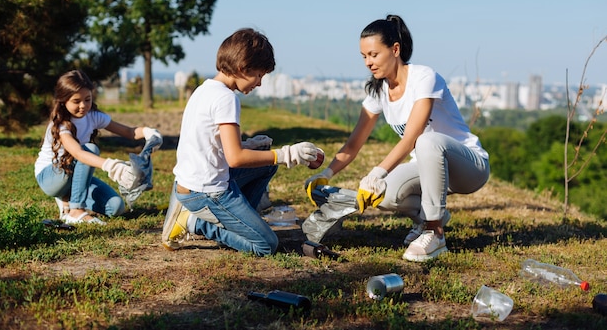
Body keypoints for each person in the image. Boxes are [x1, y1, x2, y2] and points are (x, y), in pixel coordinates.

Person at [304, 15, 490, 262]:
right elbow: (353, 143)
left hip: (468, 168)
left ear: (395, 49)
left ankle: (435, 233)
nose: (368, 62)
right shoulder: (379, 90)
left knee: (426, 141)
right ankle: (430, 216)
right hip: (429, 170)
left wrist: (377, 172)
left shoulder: (424, 77)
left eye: (374, 54)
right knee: (385, 194)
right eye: (364, 56)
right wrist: (326, 174)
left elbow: (412, 137)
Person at [162, 28, 321, 256]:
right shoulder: (227, 99)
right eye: (259, 75)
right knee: (266, 245)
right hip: (206, 192)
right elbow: (235, 158)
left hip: (189, 185)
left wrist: (250, 144)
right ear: (242, 69)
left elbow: (209, 145)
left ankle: (238, 221)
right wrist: (287, 154)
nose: (259, 83)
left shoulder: (204, 90)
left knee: (266, 163)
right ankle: (195, 223)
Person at [34, 69, 162, 225]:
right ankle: (76, 210)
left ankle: (67, 199)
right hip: (51, 177)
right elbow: (79, 153)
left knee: (116, 207)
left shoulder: (93, 116)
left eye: (87, 99)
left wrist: (149, 133)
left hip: (73, 175)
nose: (83, 106)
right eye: (76, 101)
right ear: (63, 100)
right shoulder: (60, 124)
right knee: (90, 149)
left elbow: (129, 132)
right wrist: (112, 166)